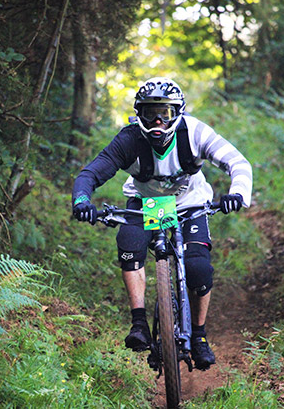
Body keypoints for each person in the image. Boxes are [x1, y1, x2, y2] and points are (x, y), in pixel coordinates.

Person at [71, 77, 252, 369]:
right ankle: (139, 324)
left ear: (178, 113)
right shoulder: (129, 139)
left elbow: (238, 163)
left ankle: (199, 336)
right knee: (130, 245)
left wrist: (238, 194)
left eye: (165, 113)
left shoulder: (194, 133)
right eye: (148, 113)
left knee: (198, 268)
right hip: (146, 205)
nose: (157, 121)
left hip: (190, 204)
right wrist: (81, 201)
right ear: (138, 114)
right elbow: (90, 174)